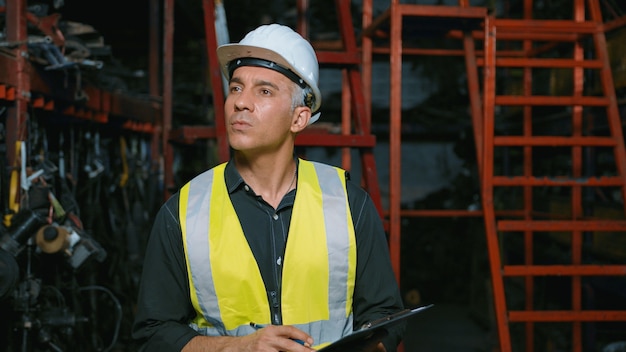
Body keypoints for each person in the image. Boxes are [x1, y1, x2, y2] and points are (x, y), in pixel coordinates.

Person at [132, 23, 405, 352]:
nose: (240, 103)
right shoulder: (184, 212)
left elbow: (385, 315)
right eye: (235, 88)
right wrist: (241, 347)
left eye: (264, 91)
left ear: (299, 118)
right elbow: (153, 335)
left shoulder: (347, 204)